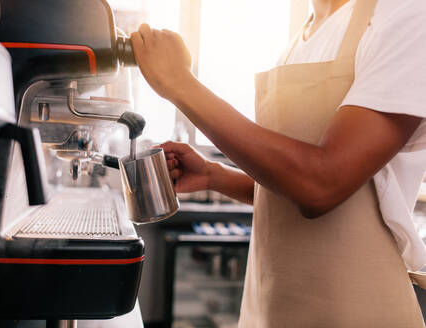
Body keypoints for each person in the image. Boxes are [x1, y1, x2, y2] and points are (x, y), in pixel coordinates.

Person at [131, 0, 426, 326]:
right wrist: (215, 176)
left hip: (356, 311)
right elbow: (288, 185)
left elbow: (321, 183)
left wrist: (178, 82)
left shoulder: (407, 14)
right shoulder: (303, 39)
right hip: (270, 309)